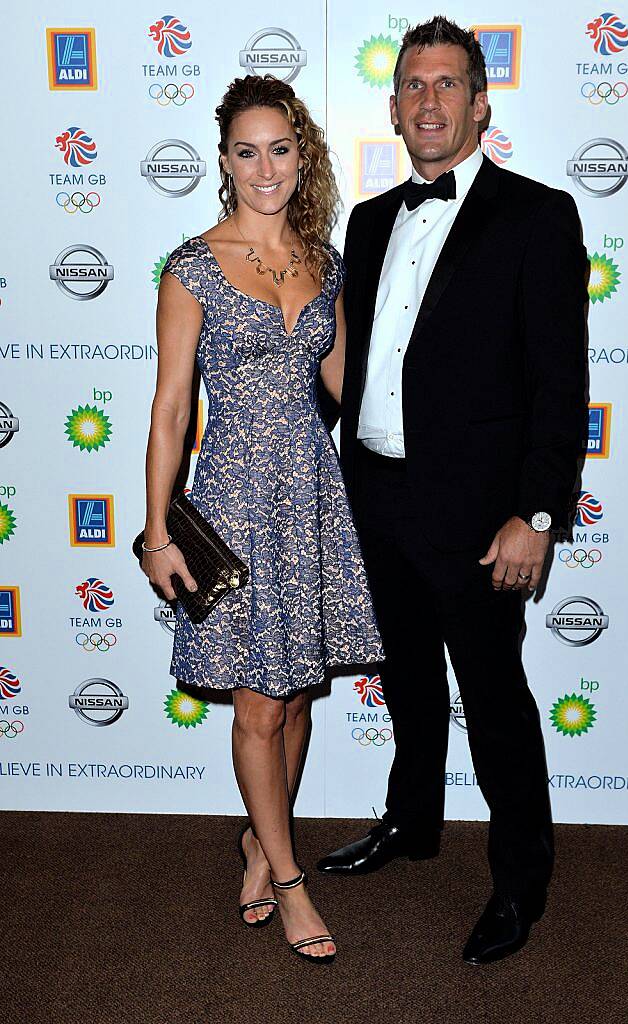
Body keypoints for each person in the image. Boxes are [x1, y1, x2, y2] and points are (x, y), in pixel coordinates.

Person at [316, 17, 589, 965]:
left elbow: (561, 383)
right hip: (375, 500)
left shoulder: (537, 214)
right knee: (404, 683)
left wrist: (540, 513)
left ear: (479, 103)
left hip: (482, 518)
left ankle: (521, 881)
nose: (427, 101)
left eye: (446, 85)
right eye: (412, 86)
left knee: (495, 698)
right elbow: (353, 367)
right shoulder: (367, 218)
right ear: (392, 107)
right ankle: (412, 821)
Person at [140, 74, 384, 965]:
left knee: (296, 693)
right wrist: (160, 530)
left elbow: (351, 396)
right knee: (255, 701)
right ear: (225, 161)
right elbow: (171, 411)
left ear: (301, 154)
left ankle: (258, 840)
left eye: (279, 147)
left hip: (312, 496)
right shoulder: (193, 266)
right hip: (235, 498)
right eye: (246, 150)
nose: (264, 166)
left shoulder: (324, 263)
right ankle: (289, 881)